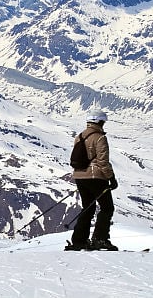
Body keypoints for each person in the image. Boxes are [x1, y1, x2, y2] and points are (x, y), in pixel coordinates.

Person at [66, 108, 119, 251]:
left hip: (79, 176)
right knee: (107, 208)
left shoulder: (79, 136)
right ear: (100, 122)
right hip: (96, 177)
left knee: (88, 208)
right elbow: (103, 162)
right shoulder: (100, 137)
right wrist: (111, 177)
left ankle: (79, 241)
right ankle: (100, 239)